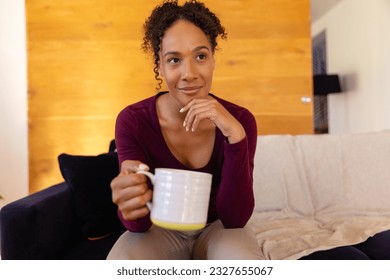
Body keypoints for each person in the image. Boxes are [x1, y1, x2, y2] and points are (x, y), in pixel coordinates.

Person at [107, 0, 261, 260]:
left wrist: (235, 137)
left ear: (213, 59)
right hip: (158, 229)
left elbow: (235, 218)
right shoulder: (133, 121)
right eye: (174, 60)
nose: (189, 73)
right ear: (160, 65)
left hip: (218, 227)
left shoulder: (240, 120)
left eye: (200, 56)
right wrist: (129, 203)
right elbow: (138, 226)